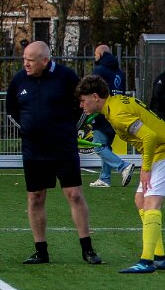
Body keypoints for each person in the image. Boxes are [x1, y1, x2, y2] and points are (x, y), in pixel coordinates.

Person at [7, 41, 102, 265]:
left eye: (30, 60)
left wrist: (69, 131)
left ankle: (87, 248)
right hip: (34, 150)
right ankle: (41, 251)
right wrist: (29, 130)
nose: (25, 64)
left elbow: (82, 105)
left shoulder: (67, 77)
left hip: (63, 149)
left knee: (74, 195)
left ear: (45, 61)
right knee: (35, 197)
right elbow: (12, 110)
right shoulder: (19, 79)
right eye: (24, 59)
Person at [77, 75, 165, 274]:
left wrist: (146, 167)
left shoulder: (117, 113)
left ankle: (146, 261)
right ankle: (159, 257)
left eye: (83, 100)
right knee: (140, 200)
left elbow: (149, 136)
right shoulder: (114, 104)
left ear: (95, 96)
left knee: (151, 202)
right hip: (161, 149)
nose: (82, 105)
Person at [89, 44, 136, 188]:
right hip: (116, 112)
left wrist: (91, 108)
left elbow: (93, 91)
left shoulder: (99, 70)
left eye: (96, 54)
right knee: (106, 146)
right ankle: (105, 178)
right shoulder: (119, 72)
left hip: (102, 111)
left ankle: (123, 167)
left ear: (101, 54)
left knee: (98, 146)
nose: (95, 57)